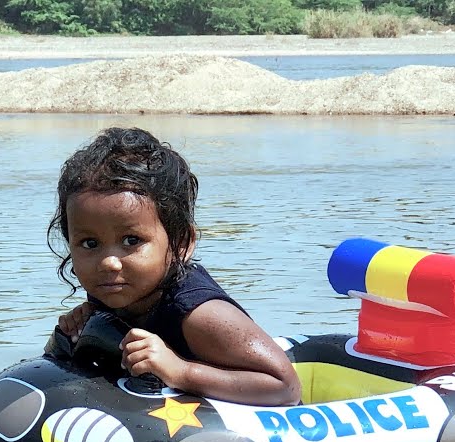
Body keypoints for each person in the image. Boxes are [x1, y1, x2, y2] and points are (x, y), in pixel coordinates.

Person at [51, 127, 300, 407]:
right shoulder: (114, 289)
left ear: (181, 243)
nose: (108, 262)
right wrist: (85, 325)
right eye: (90, 243)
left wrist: (181, 371)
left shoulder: (200, 316)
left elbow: (285, 387)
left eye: (131, 240)